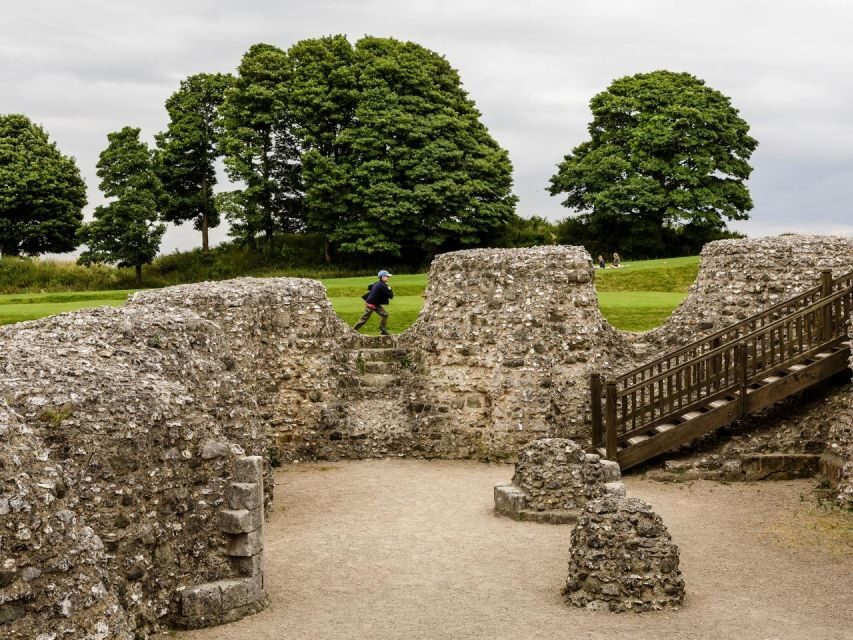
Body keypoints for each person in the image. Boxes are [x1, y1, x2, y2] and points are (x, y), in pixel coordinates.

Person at [353, 270, 394, 336]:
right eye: (387, 276)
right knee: (364, 319)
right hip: (371, 304)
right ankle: (352, 331)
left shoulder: (377, 283)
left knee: (385, 314)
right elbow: (391, 296)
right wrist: (389, 288)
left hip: (375, 303)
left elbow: (370, 287)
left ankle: (383, 330)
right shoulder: (383, 285)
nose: (388, 277)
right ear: (382, 277)